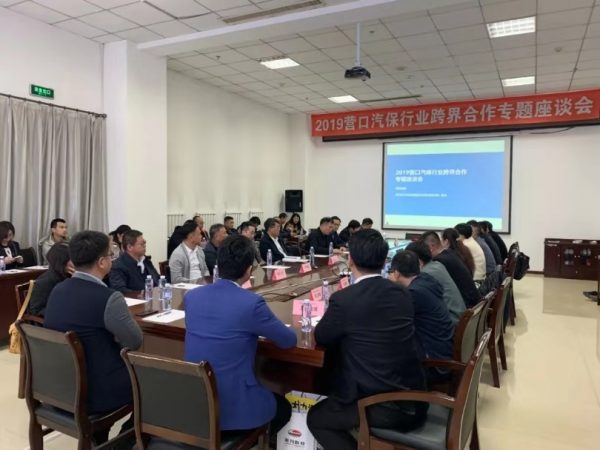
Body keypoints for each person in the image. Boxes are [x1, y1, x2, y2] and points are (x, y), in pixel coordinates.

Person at [307, 229, 427, 450]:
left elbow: (322, 335)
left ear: (350, 260)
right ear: (384, 261)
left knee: (317, 418)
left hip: (383, 406)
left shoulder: (344, 299)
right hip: (416, 397)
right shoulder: (402, 293)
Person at [184, 235, 296, 438]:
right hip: (235, 409)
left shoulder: (192, 297)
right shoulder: (251, 303)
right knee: (283, 408)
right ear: (248, 270)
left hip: (196, 403)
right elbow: (288, 340)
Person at [44, 231, 142, 447]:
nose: (112, 259)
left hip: (57, 385)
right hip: (94, 392)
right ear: (102, 262)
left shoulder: (57, 290)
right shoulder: (109, 298)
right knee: (152, 383)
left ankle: (102, 439)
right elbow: (135, 341)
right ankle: (120, 444)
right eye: (110, 254)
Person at [388, 251, 455, 383]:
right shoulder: (426, 280)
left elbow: (391, 320)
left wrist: (389, 287)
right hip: (444, 351)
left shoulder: (414, 293)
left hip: (434, 364)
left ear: (396, 273)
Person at [406, 241, 466, 325]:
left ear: (418, 261)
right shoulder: (437, 265)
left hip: (452, 320)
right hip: (458, 316)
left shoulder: (426, 274)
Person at [422, 231, 481, 308]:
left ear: (430, 247)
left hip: (466, 305)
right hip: (473, 302)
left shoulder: (439, 261)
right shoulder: (450, 254)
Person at [27, 243, 74, 317]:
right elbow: (36, 310)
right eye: (71, 259)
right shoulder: (45, 281)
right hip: (54, 319)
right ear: (61, 261)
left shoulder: (68, 276)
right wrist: (61, 312)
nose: (75, 262)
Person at [109, 230, 160, 295]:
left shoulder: (146, 260)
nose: (145, 246)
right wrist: (142, 294)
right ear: (129, 247)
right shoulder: (118, 266)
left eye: (145, 243)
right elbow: (120, 290)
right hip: (135, 300)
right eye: (142, 244)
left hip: (153, 297)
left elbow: (157, 279)